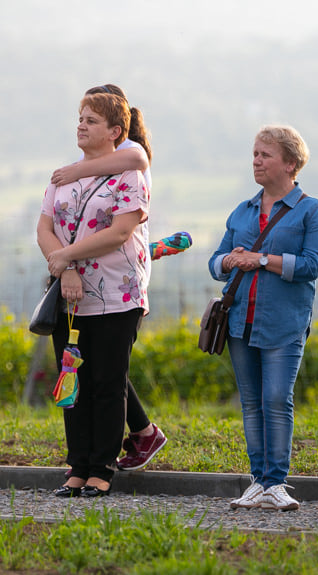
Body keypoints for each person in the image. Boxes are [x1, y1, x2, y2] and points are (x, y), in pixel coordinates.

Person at [209, 125, 318, 511]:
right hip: (239, 322)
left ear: (290, 163)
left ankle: (276, 482)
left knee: (277, 399)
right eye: (255, 154)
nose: (256, 161)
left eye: (265, 155)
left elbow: (313, 265)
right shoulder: (242, 211)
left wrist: (261, 259)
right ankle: (258, 481)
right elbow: (216, 262)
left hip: (284, 322)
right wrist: (230, 260)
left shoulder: (312, 210)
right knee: (251, 403)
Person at [37, 92, 151, 497]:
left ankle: (102, 467)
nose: (81, 125)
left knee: (107, 381)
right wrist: (65, 267)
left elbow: (120, 231)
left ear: (115, 132)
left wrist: (67, 255)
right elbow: (44, 229)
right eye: (79, 118)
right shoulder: (63, 176)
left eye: (91, 120)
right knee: (74, 382)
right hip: (68, 294)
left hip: (116, 295)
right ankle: (77, 466)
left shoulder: (129, 175)